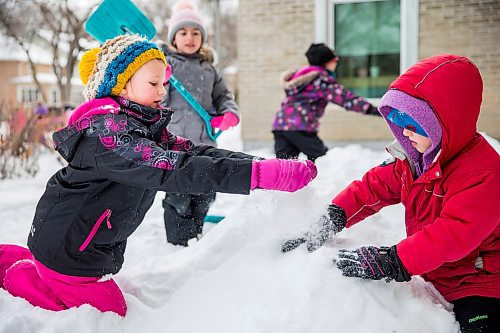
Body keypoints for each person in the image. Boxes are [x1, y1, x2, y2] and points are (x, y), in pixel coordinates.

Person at [0, 34, 317, 317]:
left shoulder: (142, 126)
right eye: (153, 84)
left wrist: (260, 168)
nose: (163, 92)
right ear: (122, 85)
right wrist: (256, 176)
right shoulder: (108, 137)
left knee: (97, 296)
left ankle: (27, 263)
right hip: (69, 252)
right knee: (112, 312)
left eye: (163, 83)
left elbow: (195, 153)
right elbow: (175, 168)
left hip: (82, 244)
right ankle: (18, 276)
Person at [281, 54, 500, 332]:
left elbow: (453, 234)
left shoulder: (484, 172)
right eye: (398, 119)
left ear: (445, 123)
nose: (405, 132)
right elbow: (372, 188)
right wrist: (333, 217)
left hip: (478, 282)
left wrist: (394, 259)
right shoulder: (415, 159)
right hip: (433, 273)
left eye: (415, 124)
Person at [158, 0, 240, 246]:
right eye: (183, 32)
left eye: (195, 33)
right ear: (174, 38)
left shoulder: (210, 70)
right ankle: (178, 244)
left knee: (205, 193)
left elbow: (224, 96)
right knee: (179, 195)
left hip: (205, 141)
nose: (190, 37)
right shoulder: (165, 65)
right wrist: (160, 81)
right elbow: (155, 102)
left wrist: (229, 113)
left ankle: (196, 236)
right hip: (175, 143)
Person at [272, 43, 380, 163]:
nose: (336, 62)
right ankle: (322, 181)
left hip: (280, 126)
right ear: (325, 62)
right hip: (299, 126)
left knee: (285, 167)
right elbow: (345, 98)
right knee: (323, 161)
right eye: (334, 59)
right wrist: (371, 109)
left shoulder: (300, 77)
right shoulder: (321, 80)